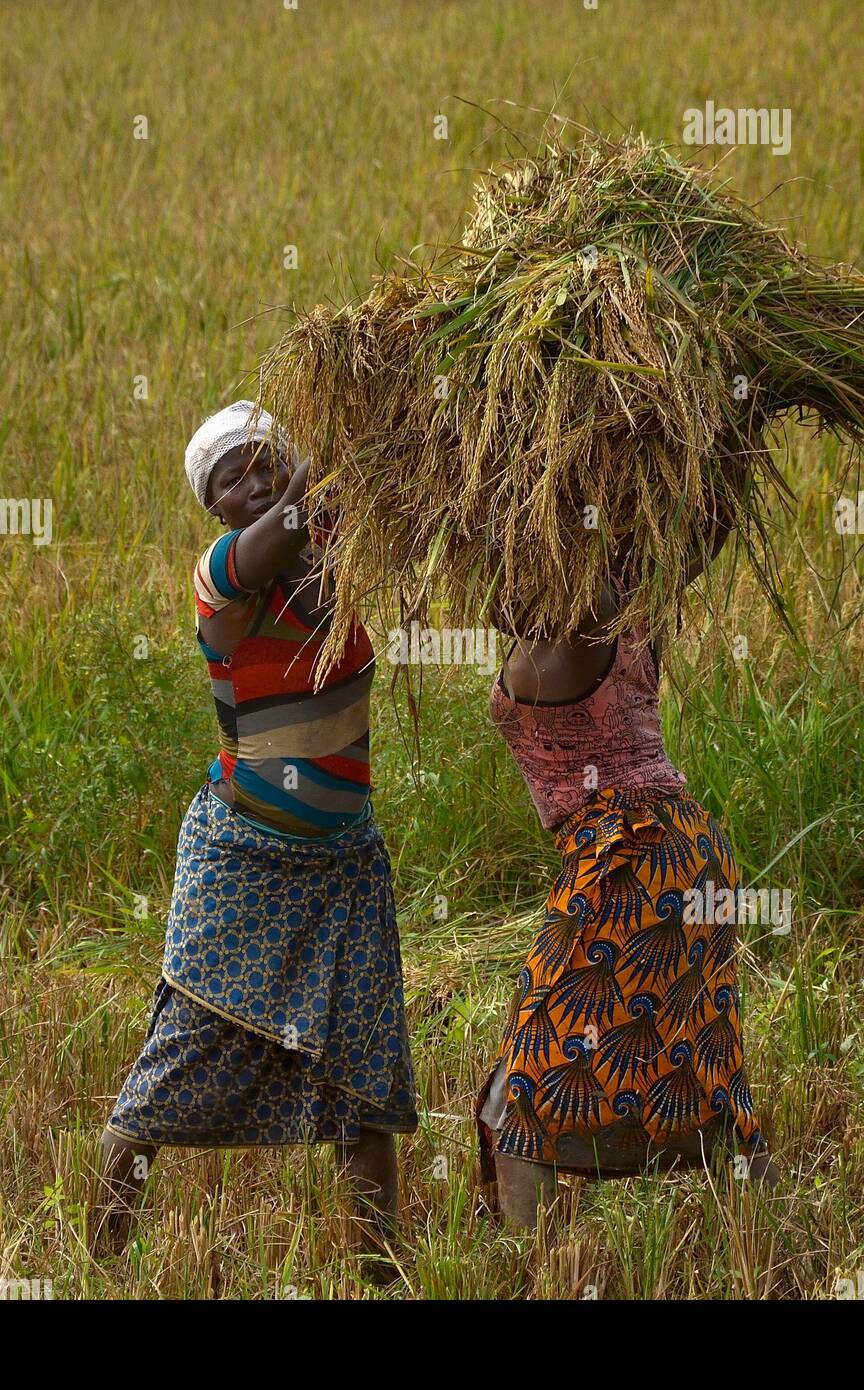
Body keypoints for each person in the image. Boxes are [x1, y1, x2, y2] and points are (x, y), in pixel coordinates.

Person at [93, 401, 417, 1258]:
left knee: (363, 1085)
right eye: (234, 474)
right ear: (215, 506)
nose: (258, 478)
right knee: (166, 1080)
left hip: (344, 865)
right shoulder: (221, 578)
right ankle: (102, 1264)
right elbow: (303, 510)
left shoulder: (332, 567)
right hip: (244, 861)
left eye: (268, 460)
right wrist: (345, 426)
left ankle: (380, 1273)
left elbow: (352, 511)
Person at [476, 479, 778, 1230]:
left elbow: (683, 531)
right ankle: (777, 1242)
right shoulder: (630, 594)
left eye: (510, 560)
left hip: (630, 859)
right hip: (686, 850)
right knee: (703, 1065)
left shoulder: (585, 617)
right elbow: (699, 525)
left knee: (524, 1092)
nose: (492, 582)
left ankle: (533, 1269)